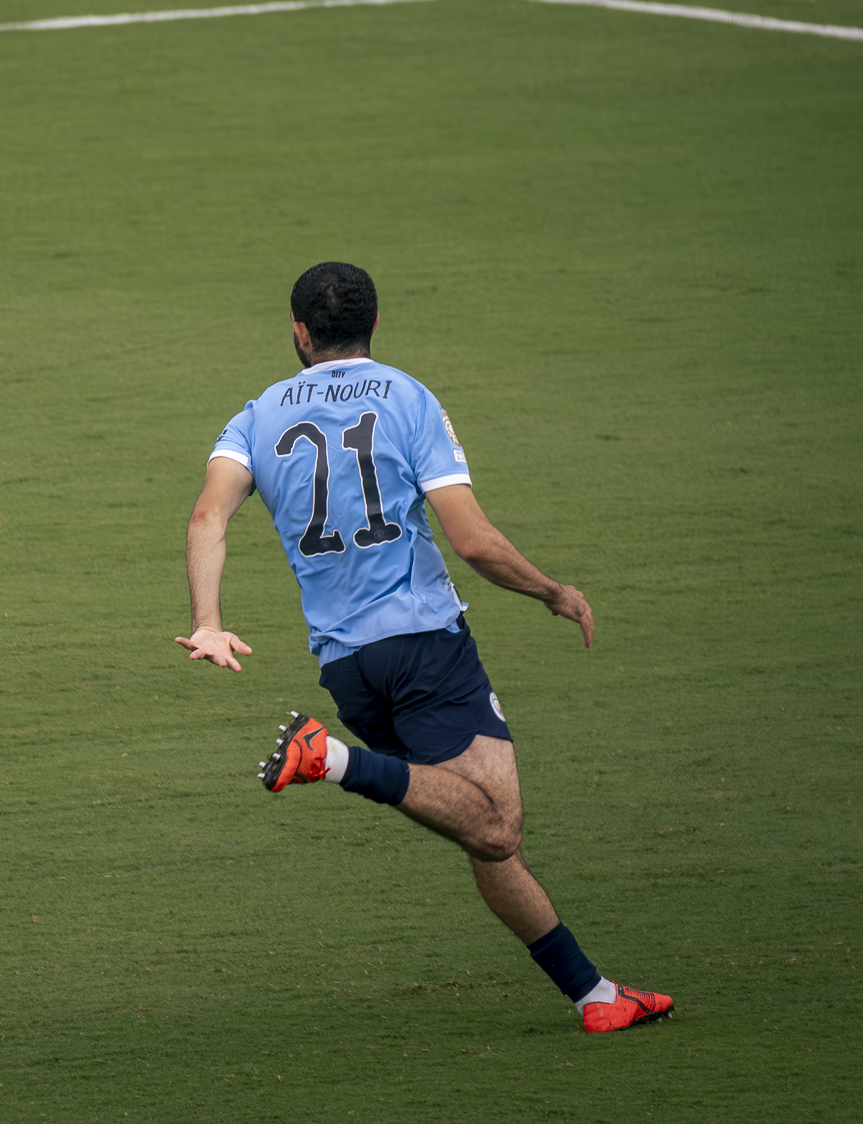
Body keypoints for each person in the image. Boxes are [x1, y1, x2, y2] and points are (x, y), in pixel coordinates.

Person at [177, 261, 673, 1036]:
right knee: (497, 825)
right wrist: (551, 591)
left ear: (300, 333)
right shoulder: (406, 397)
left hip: (347, 666)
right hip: (422, 642)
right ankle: (331, 759)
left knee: (480, 832)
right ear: (375, 324)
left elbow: (207, 519)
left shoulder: (257, 415)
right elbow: (472, 541)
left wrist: (208, 621)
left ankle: (594, 995)